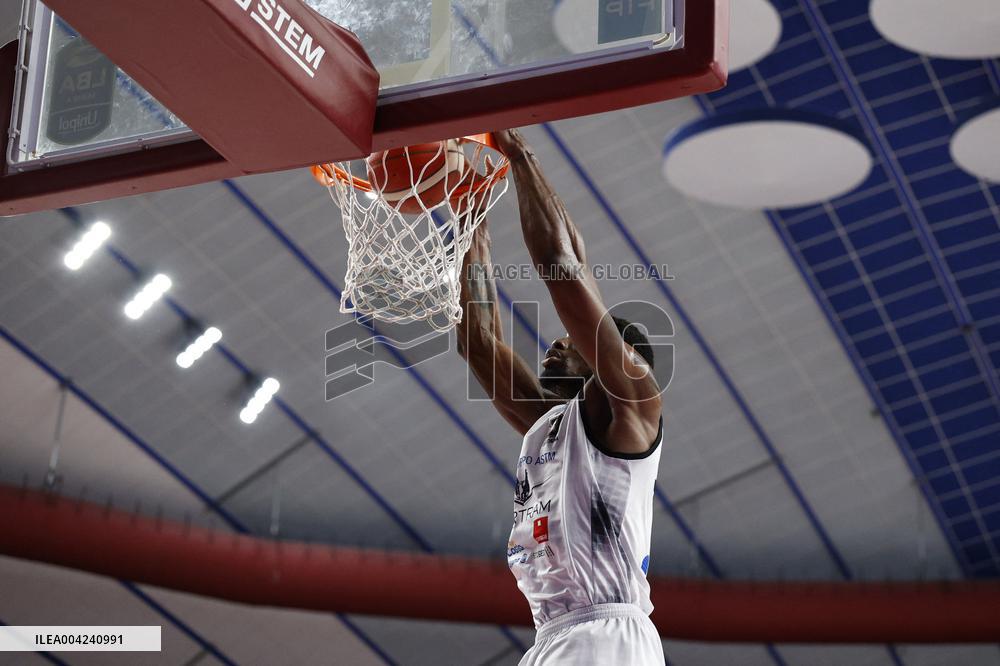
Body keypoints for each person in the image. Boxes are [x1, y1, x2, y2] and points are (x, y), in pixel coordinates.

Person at [456, 128, 666, 665]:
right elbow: (477, 343)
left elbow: (563, 267)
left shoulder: (634, 408)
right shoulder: (552, 424)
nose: (554, 342)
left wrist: (516, 151)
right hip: (552, 637)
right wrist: (471, 226)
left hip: (609, 636)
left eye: (572, 340)